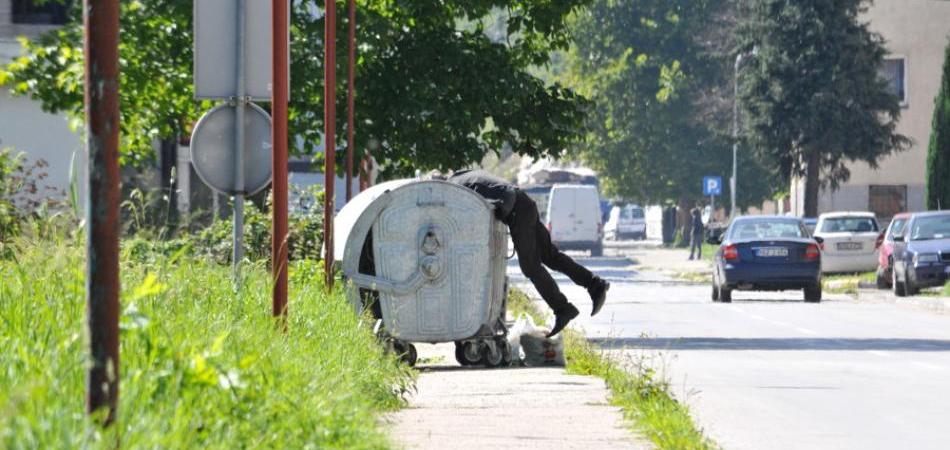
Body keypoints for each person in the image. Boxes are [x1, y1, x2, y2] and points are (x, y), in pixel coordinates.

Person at [447, 170, 610, 337]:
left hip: (518, 210)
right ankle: (595, 284)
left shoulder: (455, 189)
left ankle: (563, 309)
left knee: (530, 267)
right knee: (549, 256)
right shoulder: (463, 177)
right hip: (524, 203)